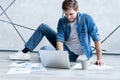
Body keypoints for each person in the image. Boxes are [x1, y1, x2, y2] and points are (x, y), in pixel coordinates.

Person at [9, 0, 104, 65]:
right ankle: (24, 52)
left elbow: (96, 38)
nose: (68, 17)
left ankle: (49, 55)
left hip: (72, 54)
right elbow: (59, 39)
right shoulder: (62, 21)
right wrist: (60, 56)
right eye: (66, 14)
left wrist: (99, 59)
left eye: (71, 14)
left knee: (44, 49)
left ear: (77, 10)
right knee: (43, 27)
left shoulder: (87, 19)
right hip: (64, 47)